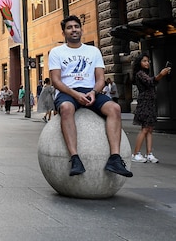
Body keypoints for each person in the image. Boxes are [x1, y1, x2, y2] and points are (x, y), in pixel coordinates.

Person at [49, 15, 133, 178]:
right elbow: (56, 81)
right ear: (64, 32)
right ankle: (75, 158)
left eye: (76, 26)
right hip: (68, 92)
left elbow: (101, 78)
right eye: (69, 27)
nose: (74, 29)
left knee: (114, 108)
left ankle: (115, 158)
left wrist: (93, 92)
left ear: (81, 29)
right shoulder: (56, 52)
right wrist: (75, 94)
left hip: (90, 91)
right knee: (66, 108)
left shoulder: (93, 51)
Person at [130, 55, 171, 163]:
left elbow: (152, 82)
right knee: (145, 129)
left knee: (150, 129)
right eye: (144, 61)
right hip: (145, 103)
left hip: (150, 102)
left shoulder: (144, 74)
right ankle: (135, 153)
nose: (147, 63)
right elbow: (151, 82)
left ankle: (149, 154)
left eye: (148, 61)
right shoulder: (140, 74)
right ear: (139, 63)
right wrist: (161, 74)